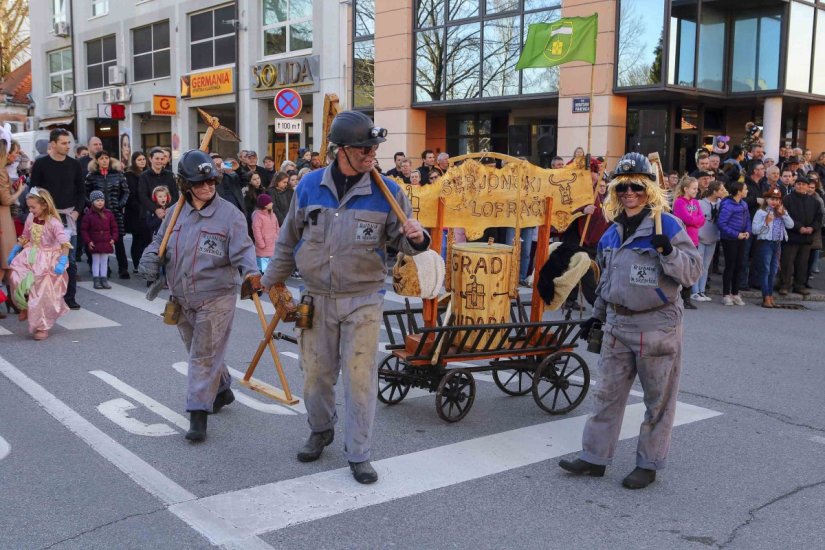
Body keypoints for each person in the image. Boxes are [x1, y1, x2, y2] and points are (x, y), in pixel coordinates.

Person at [261, 110, 429, 484]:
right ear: (342, 150)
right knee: (316, 377)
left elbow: (403, 242)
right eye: (364, 148)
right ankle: (321, 429)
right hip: (316, 297)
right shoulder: (308, 187)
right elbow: (288, 239)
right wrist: (271, 281)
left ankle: (359, 452)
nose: (372, 155)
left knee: (359, 378)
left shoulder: (390, 191)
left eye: (374, 148)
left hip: (364, 299)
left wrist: (417, 238)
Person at [558, 152, 701, 490]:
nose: (630, 194)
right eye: (623, 188)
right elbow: (608, 280)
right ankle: (594, 457)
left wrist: (669, 252)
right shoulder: (612, 232)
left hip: (658, 326)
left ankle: (648, 464)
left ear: (649, 188)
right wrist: (597, 318)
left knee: (658, 402)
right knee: (606, 395)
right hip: (618, 326)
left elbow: (693, 272)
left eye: (637, 186)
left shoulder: (668, 225)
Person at [139, 149, 261, 442]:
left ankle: (197, 414)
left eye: (211, 182)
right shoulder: (175, 211)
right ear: (184, 184)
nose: (207, 188)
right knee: (197, 348)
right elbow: (160, 240)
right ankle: (223, 390)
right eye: (199, 183)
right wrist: (151, 256)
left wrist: (251, 273)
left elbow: (244, 250)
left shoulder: (230, 215)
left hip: (216, 295)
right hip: (181, 296)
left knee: (202, 355)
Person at [29, 129, 85, 310]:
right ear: (52, 144)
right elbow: (34, 190)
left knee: (69, 258)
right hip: (47, 217)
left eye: (68, 143)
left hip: (68, 216)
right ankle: (44, 295)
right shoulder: (41, 164)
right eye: (63, 143)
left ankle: (70, 297)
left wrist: (77, 211)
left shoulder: (74, 165)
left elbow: (81, 191)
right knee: (43, 258)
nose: (67, 146)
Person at [7, 188, 72, 340]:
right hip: (31, 254)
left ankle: (42, 326)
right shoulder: (30, 217)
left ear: (43, 205)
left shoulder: (54, 223)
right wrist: (15, 249)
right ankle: (24, 307)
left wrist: (62, 262)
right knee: (16, 278)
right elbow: (25, 236)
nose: (30, 210)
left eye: (33, 207)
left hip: (47, 260)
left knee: (42, 294)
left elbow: (65, 244)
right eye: (29, 207)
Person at [85, 150, 131, 278]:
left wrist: (120, 204)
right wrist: (93, 206)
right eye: (101, 158)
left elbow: (126, 191)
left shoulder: (118, 175)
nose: (104, 160)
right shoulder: (91, 176)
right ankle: (105, 269)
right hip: (98, 214)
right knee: (100, 240)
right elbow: (85, 193)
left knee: (119, 241)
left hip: (115, 213)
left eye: (106, 158)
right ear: (97, 161)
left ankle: (123, 269)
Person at [779, 177, 822, 296]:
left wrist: (812, 228)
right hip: (791, 237)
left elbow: (818, 218)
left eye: (803, 184)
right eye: (798, 184)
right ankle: (784, 285)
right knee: (787, 263)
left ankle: (799, 286)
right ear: (794, 185)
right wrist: (799, 227)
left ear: (808, 187)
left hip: (807, 237)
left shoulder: (815, 202)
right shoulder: (787, 199)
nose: (801, 186)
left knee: (802, 264)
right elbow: (785, 215)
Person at [753, 187, 793, 308]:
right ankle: (766, 297)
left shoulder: (781, 211)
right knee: (765, 270)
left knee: (773, 271)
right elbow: (754, 230)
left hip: (777, 243)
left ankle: (770, 296)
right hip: (765, 243)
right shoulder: (761, 212)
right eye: (772, 199)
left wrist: (784, 214)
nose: (774, 202)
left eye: (777, 199)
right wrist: (766, 222)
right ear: (766, 199)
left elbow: (791, 225)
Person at [716, 180, 752, 306]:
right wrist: (736, 234)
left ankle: (735, 293)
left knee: (739, 265)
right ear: (739, 191)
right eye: (745, 189)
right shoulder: (727, 205)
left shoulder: (744, 204)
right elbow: (721, 223)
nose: (747, 191)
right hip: (730, 239)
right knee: (730, 266)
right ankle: (726, 294)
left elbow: (747, 219)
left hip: (741, 238)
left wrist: (747, 231)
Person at [671, 176, 704, 309]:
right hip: (683, 239)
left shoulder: (695, 203)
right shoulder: (679, 202)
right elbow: (685, 219)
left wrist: (693, 220)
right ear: (686, 189)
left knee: (690, 268)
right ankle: (678, 296)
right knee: (681, 268)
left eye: (697, 188)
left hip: (694, 239)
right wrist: (694, 220)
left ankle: (687, 297)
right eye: (694, 188)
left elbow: (701, 219)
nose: (696, 191)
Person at [1, 134, 26, 296]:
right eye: (13, 152)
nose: (16, 155)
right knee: (5, 260)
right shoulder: (2, 173)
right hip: (2, 220)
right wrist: (19, 191)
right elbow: (6, 199)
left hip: (5, 219)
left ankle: (14, 299)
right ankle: (15, 298)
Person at [693, 181, 726, 302]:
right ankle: (695, 291)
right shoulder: (700, 203)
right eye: (721, 190)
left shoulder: (721, 204)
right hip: (700, 236)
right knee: (698, 264)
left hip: (713, 237)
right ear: (714, 191)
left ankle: (702, 290)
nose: (723, 192)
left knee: (706, 266)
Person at [80, 190, 118, 290]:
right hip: (95, 242)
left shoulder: (109, 214)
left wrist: (114, 238)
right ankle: (96, 279)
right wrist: (88, 241)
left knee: (105, 261)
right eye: (97, 200)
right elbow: (84, 230)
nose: (100, 202)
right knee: (96, 261)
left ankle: (104, 279)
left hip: (106, 242)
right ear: (92, 202)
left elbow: (114, 227)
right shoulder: (88, 215)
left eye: (102, 200)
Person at [138, 147, 178, 227]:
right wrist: (156, 209)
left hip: (168, 215)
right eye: (157, 158)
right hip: (149, 216)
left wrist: (168, 209)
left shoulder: (170, 175)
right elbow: (142, 195)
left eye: (162, 159)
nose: (159, 161)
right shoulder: (144, 176)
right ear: (150, 159)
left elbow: (175, 195)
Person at [124, 151, 149, 272]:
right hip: (135, 212)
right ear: (134, 161)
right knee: (138, 239)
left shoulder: (147, 173)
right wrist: (140, 207)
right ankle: (136, 264)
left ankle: (145, 263)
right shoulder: (130, 175)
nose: (142, 161)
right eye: (139, 159)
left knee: (147, 239)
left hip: (147, 210)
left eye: (143, 159)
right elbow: (131, 194)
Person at [251, 193, 279, 271]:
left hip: (273, 245)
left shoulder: (273, 214)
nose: (272, 203)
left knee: (272, 269)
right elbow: (256, 231)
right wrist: (261, 244)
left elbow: (277, 227)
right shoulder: (258, 216)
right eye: (270, 202)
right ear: (265, 205)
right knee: (263, 270)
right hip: (263, 248)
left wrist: (277, 237)